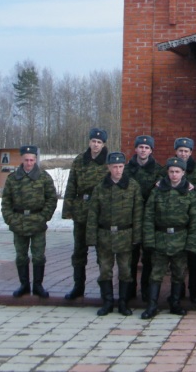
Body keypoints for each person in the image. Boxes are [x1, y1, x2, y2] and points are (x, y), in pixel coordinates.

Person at [141, 156, 196, 319]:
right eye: (171, 171)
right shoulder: (157, 190)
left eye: (177, 172)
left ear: (183, 173)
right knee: (156, 274)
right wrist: (149, 240)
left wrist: (192, 244)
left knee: (179, 274)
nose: (174, 175)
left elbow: (195, 220)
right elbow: (149, 216)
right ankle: (152, 306)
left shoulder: (189, 192)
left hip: (181, 239)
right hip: (160, 238)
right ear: (167, 172)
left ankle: (175, 304)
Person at [89, 151, 143, 317]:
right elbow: (93, 213)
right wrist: (91, 236)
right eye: (115, 167)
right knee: (105, 269)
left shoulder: (132, 186)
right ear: (109, 167)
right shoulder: (100, 187)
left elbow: (138, 213)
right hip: (104, 235)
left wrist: (137, 236)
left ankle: (123, 303)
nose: (118, 170)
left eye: (120, 166)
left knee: (125, 270)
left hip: (125, 234)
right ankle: (107, 302)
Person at [0, 145, 57, 298]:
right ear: (21, 159)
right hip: (19, 222)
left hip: (37, 221)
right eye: (26, 160)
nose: (29, 163)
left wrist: (44, 216)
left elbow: (51, 199)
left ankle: (38, 285)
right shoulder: (13, 178)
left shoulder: (44, 177)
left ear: (36, 160)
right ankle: (24, 285)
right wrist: (10, 219)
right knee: (21, 256)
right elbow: (6, 201)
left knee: (38, 256)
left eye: (32, 160)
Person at [60, 128, 109, 300]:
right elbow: (71, 185)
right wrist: (68, 210)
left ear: (104, 144)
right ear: (89, 142)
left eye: (99, 142)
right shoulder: (80, 160)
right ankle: (78, 286)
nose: (95, 145)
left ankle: (105, 290)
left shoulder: (108, 162)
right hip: (81, 211)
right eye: (93, 141)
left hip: (100, 213)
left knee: (102, 253)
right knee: (79, 251)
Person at [126, 135, 162, 302]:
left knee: (148, 256)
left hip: (149, 218)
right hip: (131, 217)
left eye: (147, 148)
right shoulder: (126, 169)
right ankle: (130, 288)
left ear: (151, 150)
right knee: (131, 255)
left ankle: (146, 289)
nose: (143, 150)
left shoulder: (158, 170)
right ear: (136, 149)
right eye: (140, 147)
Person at [172, 137, 196, 303]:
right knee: (176, 261)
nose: (183, 153)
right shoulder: (169, 168)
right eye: (180, 151)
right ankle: (177, 292)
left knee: (194, 261)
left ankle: (193, 291)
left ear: (191, 153)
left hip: (193, 220)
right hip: (173, 222)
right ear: (176, 152)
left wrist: (194, 187)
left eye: (186, 151)